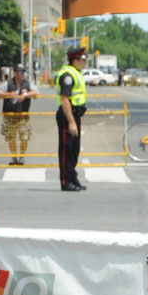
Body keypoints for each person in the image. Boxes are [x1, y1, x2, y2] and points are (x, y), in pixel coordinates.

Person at [55, 44, 88, 191]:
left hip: (75, 115)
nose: (85, 61)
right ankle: (65, 181)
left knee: (74, 149)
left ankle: (72, 178)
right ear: (75, 60)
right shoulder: (68, 75)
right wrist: (71, 122)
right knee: (66, 150)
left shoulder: (75, 72)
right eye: (83, 58)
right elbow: (64, 99)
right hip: (68, 115)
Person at [0, 64, 38, 166]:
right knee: (11, 137)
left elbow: (36, 92)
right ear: (15, 73)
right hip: (10, 115)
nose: (22, 74)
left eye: (23, 72)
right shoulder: (8, 84)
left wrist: (25, 95)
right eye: (20, 72)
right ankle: (14, 157)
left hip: (23, 116)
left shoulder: (27, 84)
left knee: (24, 137)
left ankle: (22, 157)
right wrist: (10, 94)